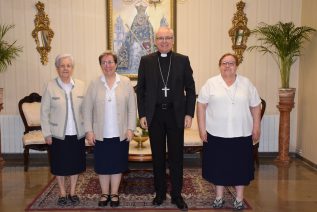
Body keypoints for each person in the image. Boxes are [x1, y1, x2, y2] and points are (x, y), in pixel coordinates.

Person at [136, 26, 196, 211]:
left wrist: (189, 113)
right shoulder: (146, 61)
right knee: (158, 156)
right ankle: (160, 192)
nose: (164, 41)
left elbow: (191, 89)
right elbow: (141, 89)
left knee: (176, 156)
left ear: (173, 40)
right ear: (155, 40)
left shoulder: (182, 60)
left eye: (168, 38)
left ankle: (177, 194)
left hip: (175, 114)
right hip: (155, 114)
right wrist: (143, 114)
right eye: (161, 38)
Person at [197, 53, 261, 210]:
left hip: (242, 133)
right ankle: (219, 197)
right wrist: (202, 127)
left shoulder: (246, 83)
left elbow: (256, 105)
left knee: (240, 168)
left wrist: (256, 126)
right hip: (216, 133)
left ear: (236, 66)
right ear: (219, 65)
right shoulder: (211, 83)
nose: (227, 66)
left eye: (231, 63)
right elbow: (201, 106)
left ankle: (239, 198)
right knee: (218, 167)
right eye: (224, 63)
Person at [83, 51, 136, 208]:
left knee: (117, 165)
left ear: (116, 64)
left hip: (120, 133)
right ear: (100, 65)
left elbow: (132, 108)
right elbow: (86, 109)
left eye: (110, 62)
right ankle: (104, 193)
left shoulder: (125, 82)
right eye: (104, 63)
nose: (107, 65)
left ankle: (114, 193)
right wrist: (89, 130)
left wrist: (131, 128)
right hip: (100, 133)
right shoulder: (94, 84)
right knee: (103, 165)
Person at [41, 54, 86, 206]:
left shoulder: (81, 85)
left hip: (77, 133)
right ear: (57, 68)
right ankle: (62, 192)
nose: (65, 68)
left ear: (72, 68)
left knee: (75, 164)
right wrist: (47, 133)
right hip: (57, 135)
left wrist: (88, 129)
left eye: (68, 66)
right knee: (59, 165)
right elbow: (44, 112)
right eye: (62, 66)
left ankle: (72, 192)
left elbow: (86, 110)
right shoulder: (50, 86)